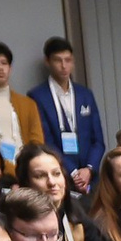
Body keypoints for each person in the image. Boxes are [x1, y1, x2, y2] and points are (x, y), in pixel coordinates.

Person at [33, 38, 105, 196]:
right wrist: (73, 172)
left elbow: (98, 140)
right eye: (58, 60)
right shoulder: (37, 96)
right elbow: (46, 141)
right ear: (47, 61)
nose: (64, 66)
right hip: (60, 175)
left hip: (90, 176)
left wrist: (89, 169)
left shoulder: (85, 94)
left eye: (68, 60)